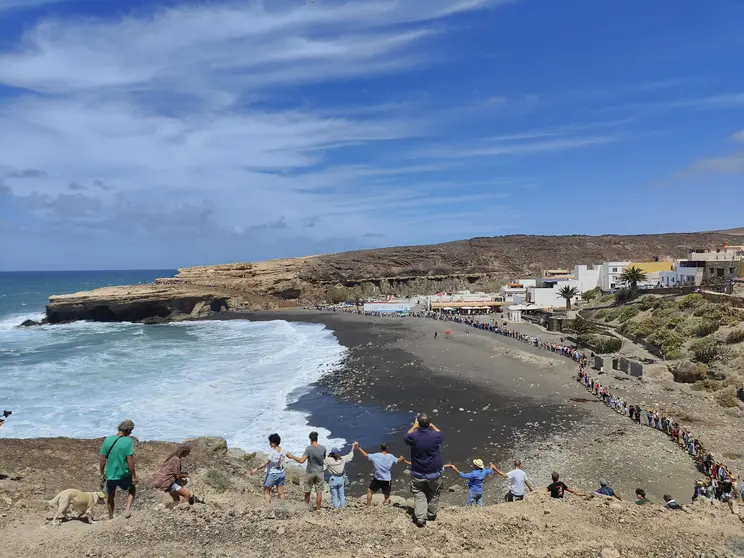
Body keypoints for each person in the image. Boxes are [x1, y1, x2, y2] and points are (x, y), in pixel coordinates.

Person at [404, 413, 444, 527]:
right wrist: (432, 425)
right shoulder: (435, 436)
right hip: (434, 472)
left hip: (418, 472)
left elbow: (406, 436)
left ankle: (421, 517)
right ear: (429, 424)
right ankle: (431, 514)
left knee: (419, 493)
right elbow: (440, 433)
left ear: (418, 423)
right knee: (434, 492)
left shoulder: (413, 436)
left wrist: (414, 426)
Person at [99, 419, 137, 519]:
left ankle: (111, 517)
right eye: (131, 430)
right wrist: (134, 476)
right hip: (124, 474)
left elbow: (102, 459)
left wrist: (102, 473)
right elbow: (130, 460)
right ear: (128, 430)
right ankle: (127, 510)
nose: (131, 432)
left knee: (111, 496)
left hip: (110, 475)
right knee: (132, 489)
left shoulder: (107, 440)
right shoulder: (128, 442)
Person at [287, 431, 326, 510]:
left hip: (310, 472)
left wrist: (292, 456)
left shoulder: (308, 449)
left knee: (307, 492)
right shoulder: (323, 448)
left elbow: (302, 461)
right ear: (317, 438)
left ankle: (307, 508)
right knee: (319, 492)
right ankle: (318, 509)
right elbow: (323, 458)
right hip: (320, 472)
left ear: (310, 439)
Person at [252, 433, 287, 504]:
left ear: (274, 443)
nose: (270, 444)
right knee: (281, 493)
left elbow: (266, 462)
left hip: (273, 474)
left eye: (270, 442)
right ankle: (283, 507)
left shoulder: (273, 453)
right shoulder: (283, 450)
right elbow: (289, 455)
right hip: (281, 473)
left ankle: (269, 507)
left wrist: (256, 469)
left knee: (267, 492)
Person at [324, 443, 357, 510]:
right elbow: (350, 456)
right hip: (341, 479)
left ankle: (336, 508)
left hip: (333, 479)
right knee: (342, 495)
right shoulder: (342, 459)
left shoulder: (328, 460)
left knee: (334, 496)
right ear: (338, 453)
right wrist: (353, 446)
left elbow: (322, 457)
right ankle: (343, 508)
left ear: (331, 454)